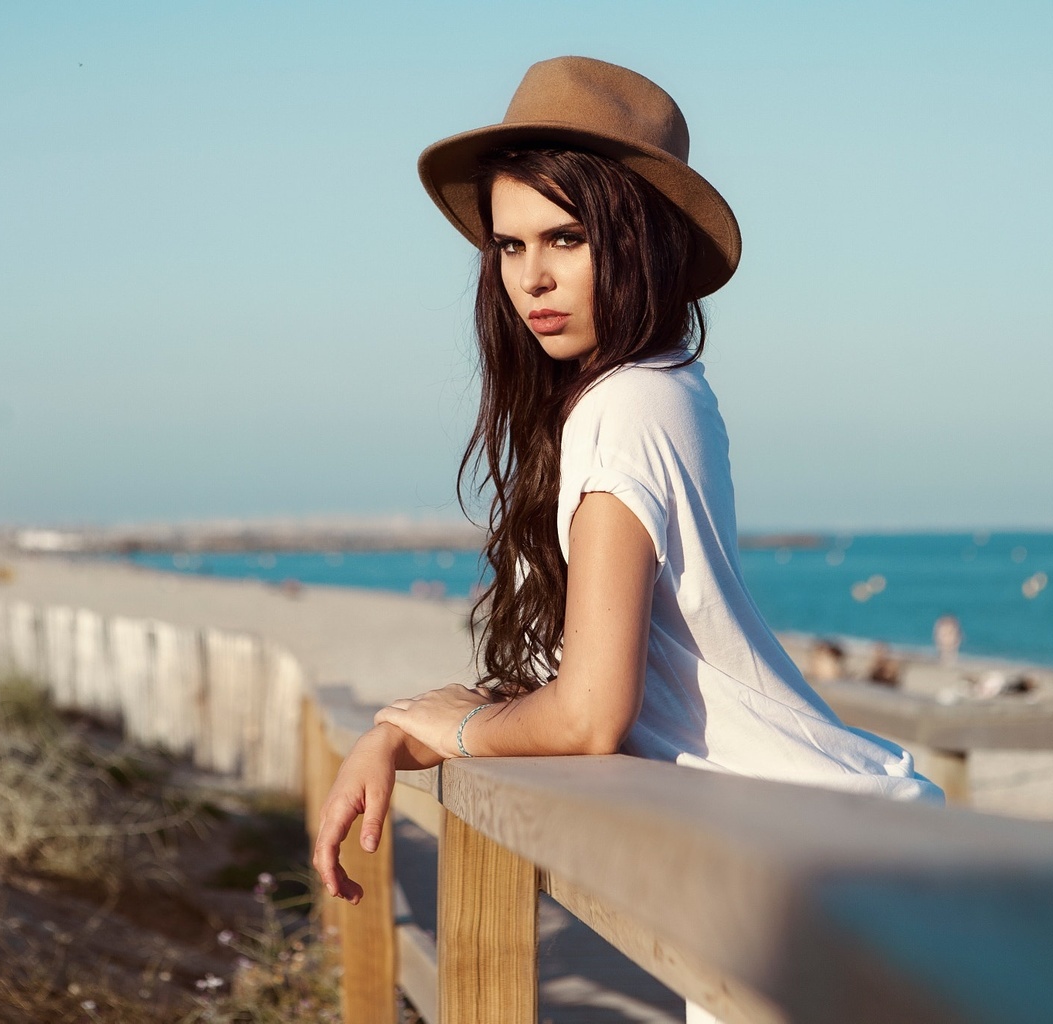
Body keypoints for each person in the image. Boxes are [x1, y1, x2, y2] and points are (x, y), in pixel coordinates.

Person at [314, 56, 942, 907]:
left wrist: (442, 727)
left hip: (829, 873)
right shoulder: (662, 385)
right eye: (509, 244)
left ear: (637, 236)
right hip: (810, 852)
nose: (530, 277)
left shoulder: (628, 404)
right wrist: (404, 736)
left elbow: (590, 714)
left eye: (565, 238)